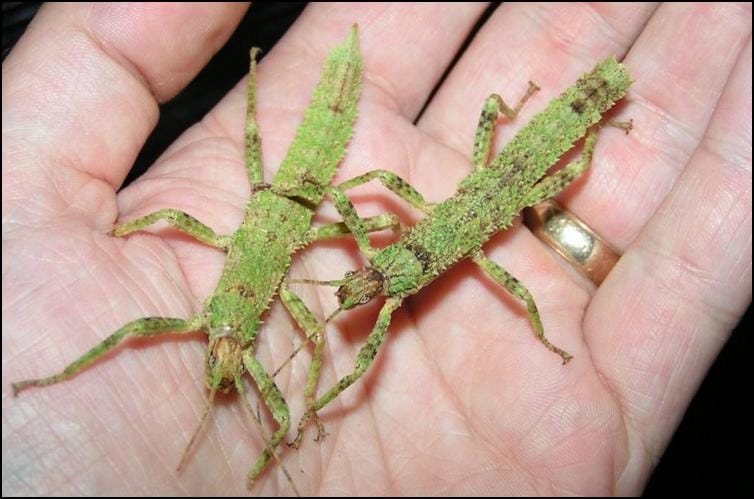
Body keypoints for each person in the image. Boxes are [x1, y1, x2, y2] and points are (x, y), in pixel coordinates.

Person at [3, 3, 750, 495]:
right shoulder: (386, 265)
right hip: (485, 198)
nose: (354, 293)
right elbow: (373, 219)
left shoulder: (400, 262)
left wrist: (590, 128)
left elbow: (385, 211)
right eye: (361, 287)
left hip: (526, 164)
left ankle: (597, 117)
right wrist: (350, 200)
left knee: (564, 157)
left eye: (360, 288)